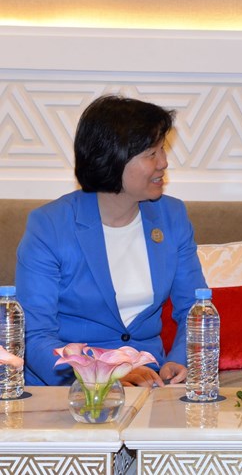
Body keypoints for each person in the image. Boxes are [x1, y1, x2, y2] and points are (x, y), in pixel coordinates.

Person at [16, 95, 207, 387]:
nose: (164, 163)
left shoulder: (172, 216)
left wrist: (179, 361)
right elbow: (35, 335)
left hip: (151, 384)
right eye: (151, 153)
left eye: (162, 150)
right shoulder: (50, 225)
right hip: (71, 392)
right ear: (113, 157)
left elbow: (195, 309)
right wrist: (102, 378)